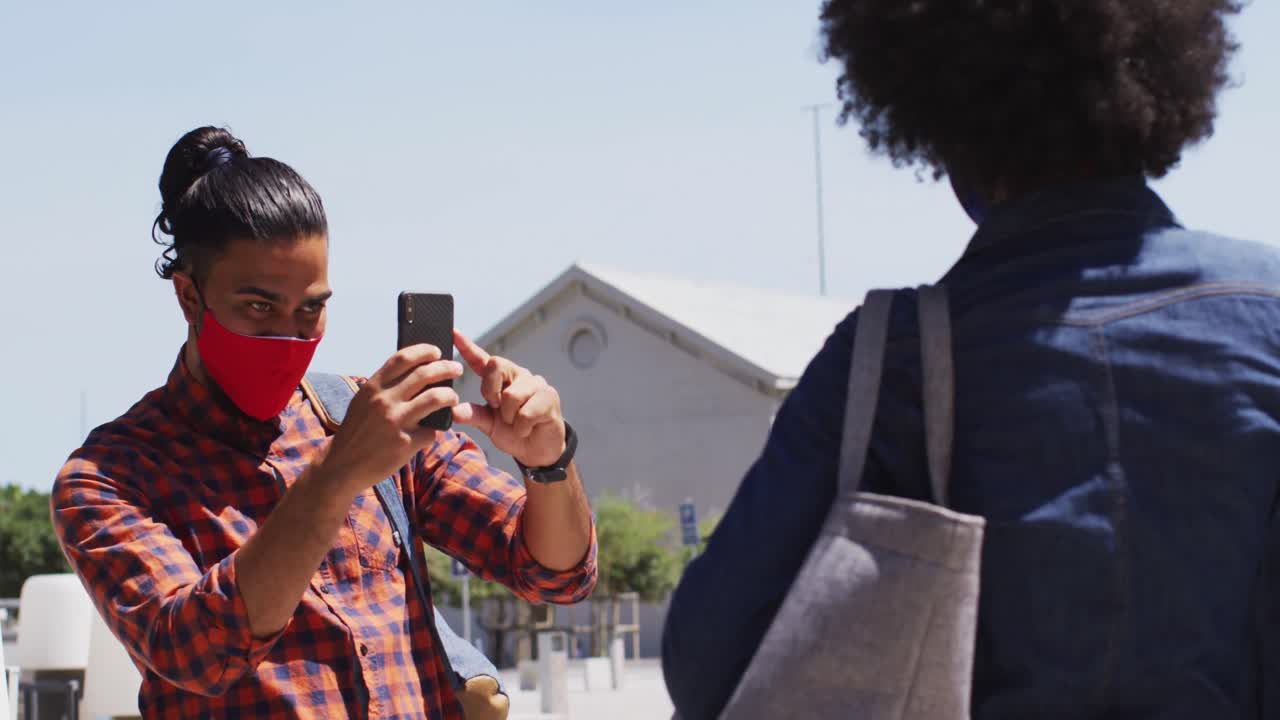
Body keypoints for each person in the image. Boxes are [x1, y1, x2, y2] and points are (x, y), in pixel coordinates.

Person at [662, 1, 1265, 717]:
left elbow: (708, 666)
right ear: (1163, 98)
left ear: (942, 136)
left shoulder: (892, 359)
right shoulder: (1269, 314)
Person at [51, 126, 596, 719]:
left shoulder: (371, 419)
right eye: (259, 308)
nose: (289, 334)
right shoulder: (109, 477)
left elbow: (555, 576)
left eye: (311, 309)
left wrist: (548, 462)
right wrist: (336, 476)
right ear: (190, 298)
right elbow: (196, 653)